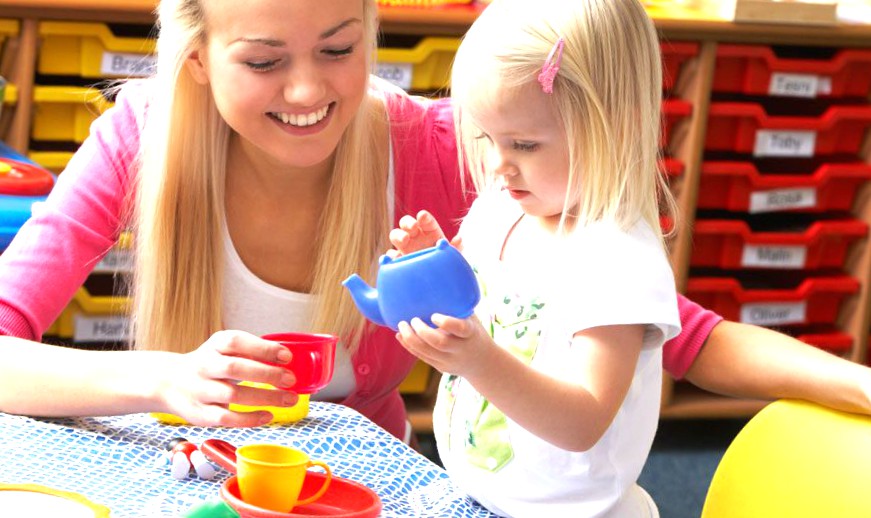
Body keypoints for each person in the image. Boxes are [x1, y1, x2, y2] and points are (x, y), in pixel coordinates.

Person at [0, 0, 869, 450]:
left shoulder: (449, 146)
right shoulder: (140, 139)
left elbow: (669, 334)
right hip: (196, 470)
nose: (309, 93)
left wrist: (855, 386)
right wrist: (160, 381)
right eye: (264, 61)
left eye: (339, 49)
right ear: (196, 58)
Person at [388, 0, 680, 515]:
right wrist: (436, 265)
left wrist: (478, 361)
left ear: (614, 125)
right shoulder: (502, 209)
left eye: (523, 143)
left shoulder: (618, 261)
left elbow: (583, 422)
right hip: (481, 491)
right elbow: (478, 298)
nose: (498, 164)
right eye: (486, 138)